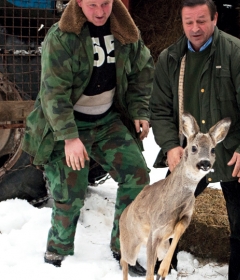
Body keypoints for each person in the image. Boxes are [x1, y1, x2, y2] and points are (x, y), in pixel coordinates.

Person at [21, 0, 154, 275]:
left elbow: (143, 70)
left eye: (105, 3)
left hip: (107, 120)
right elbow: (53, 93)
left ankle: (123, 247)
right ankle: (56, 252)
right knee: (70, 192)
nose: (100, 11)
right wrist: (69, 137)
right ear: (79, 2)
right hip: (70, 122)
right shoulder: (62, 37)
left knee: (137, 175)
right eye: (92, 4)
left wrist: (140, 110)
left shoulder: (125, 31)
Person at [150, 0, 240, 279]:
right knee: (166, 212)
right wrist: (171, 146)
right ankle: (162, 269)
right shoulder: (170, 59)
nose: (195, 28)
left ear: (215, 18)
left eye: (201, 20)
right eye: (189, 22)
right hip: (190, 155)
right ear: (181, 22)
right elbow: (158, 109)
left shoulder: (239, 55)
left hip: (232, 153)